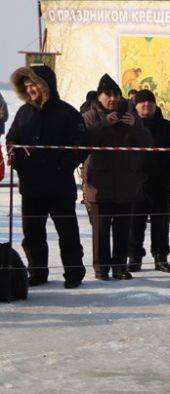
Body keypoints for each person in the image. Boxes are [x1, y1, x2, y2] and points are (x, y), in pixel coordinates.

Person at [7, 65, 87, 288]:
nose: (30, 89)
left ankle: (73, 273)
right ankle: (37, 272)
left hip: (60, 185)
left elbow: (82, 145)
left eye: (34, 84)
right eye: (27, 85)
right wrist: (18, 159)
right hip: (31, 186)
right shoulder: (23, 113)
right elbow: (12, 140)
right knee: (32, 233)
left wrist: (63, 166)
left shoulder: (67, 112)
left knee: (67, 232)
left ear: (45, 85)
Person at [81, 74, 154, 280]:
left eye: (116, 95)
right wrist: (104, 124)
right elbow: (84, 141)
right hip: (99, 183)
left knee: (123, 229)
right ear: (99, 96)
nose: (112, 99)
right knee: (101, 230)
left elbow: (148, 143)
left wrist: (136, 126)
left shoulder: (130, 114)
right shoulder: (90, 115)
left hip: (127, 183)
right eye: (108, 94)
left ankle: (120, 267)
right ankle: (101, 269)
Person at [130, 89, 170, 273]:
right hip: (135, 184)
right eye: (142, 102)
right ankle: (134, 257)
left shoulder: (168, 127)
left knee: (161, 223)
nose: (146, 105)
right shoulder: (129, 126)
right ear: (136, 105)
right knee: (135, 223)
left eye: (150, 102)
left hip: (160, 183)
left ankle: (160, 257)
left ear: (155, 105)